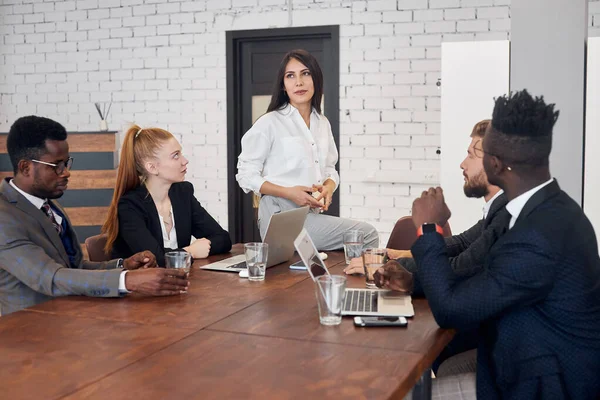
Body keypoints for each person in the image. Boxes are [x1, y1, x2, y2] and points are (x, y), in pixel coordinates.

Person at [379, 90, 600, 399]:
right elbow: (472, 280)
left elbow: (451, 309)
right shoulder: (541, 210)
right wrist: (414, 278)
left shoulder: (538, 233)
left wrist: (428, 227)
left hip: (546, 384)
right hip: (524, 358)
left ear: (497, 165)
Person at [0, 116, 189, 315]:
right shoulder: (4, 217)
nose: (66, 173)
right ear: (25, 167)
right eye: (57, 166)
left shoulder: (50, 206)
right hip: (26, 330)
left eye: (67, 163)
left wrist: (124, 265)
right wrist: (127, 281)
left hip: (69, 316)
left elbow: (74, 267)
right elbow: (51, 278)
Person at [236, 49, 379, 251]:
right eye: (290, 76)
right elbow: (245, 175)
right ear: (283, 86)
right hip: (278, 212)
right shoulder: (269, 123)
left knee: (309, 271)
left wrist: (328, 187)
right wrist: (288, 193)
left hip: (309, 214)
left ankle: (340, 279)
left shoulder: (322, 123)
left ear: (315, 79)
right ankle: (351, 278)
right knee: (367, 234)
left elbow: (330, 170)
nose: (299, 82)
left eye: (305, 73)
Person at [344, 119, 509, 283]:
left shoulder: (506, 216)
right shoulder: (499, 209)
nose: (462, 164)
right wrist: (400, 254)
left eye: (471, 156)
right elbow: (462, 243)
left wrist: (386, 265)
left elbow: (457, 268)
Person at [103, 125, 232, 267]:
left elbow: (223, 239)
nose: (184, 160)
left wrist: (197, 249)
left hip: (177, 282)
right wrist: (190, 252)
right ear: (152, 167)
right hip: (139, 285)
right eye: (176, 155)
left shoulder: (182, 193)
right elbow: (153, 259)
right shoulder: (129, 205)